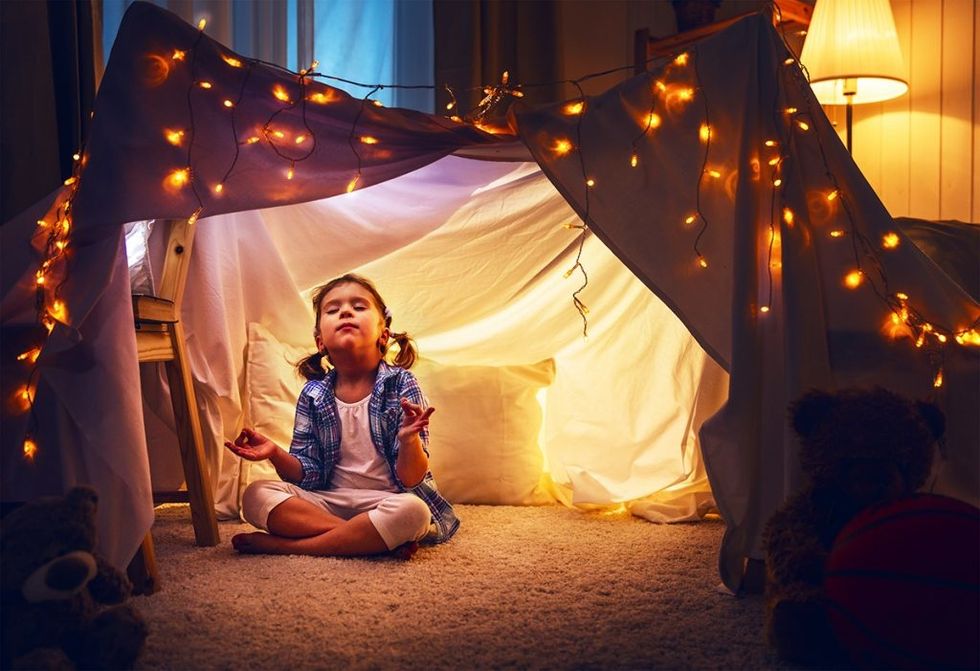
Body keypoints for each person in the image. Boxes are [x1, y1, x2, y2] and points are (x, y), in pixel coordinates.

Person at [225, 273, 458, 558]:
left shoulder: (401, 383)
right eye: (333, 310)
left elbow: (411, 479)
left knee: (414, 512)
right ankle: (365, 539)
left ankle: (288, 546)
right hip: (327, 500)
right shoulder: (313, 393)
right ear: (320, 341)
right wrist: (274, 452)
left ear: (383, 335)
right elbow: (308, 477)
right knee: (255, 495)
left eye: (359, 307)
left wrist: (409, 441)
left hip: (387, 500)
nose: (346, 311)